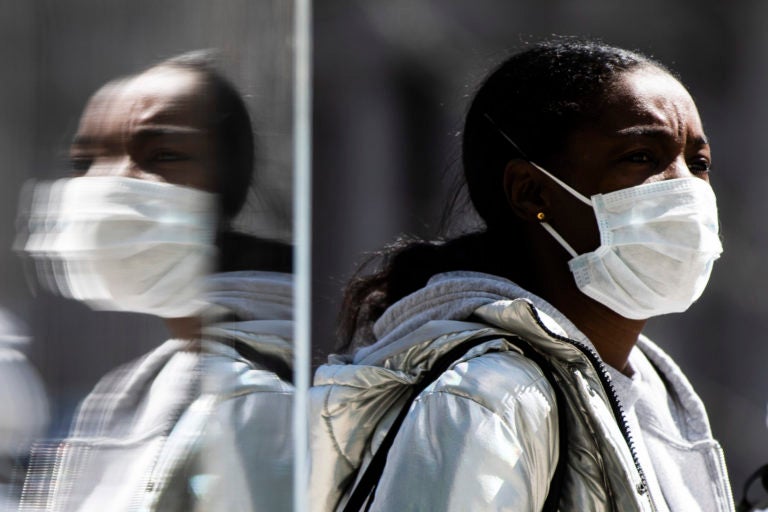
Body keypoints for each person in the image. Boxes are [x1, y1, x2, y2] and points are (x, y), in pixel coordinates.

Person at [310, 39, 735, 511]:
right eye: (641, 157)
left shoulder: (653, 389)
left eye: (697, 164)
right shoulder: (487, 400)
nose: (685, 189)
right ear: (532, 193)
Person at [18, 53, 293, 511]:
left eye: (162, 155)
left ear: (227, 184)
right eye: (85, 161)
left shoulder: (266, 392)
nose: (110, 182)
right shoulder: (129, 391)